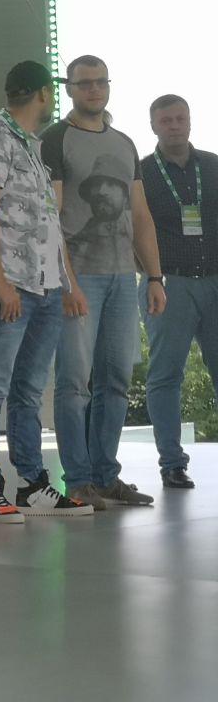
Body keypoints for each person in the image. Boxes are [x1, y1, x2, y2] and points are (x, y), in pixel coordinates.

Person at [0, 61, 93, 521]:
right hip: (9, 285)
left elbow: (48, 223)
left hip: (45, 286)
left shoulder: (31, 146)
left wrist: (67, 283)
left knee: (29, 390)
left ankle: (32, 484)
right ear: (45, 93)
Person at [41, 55, 165, 509]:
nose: (93, 89)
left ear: (108, 86)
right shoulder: (55, 139)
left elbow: (141, 215)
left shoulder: (125, 142)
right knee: (74, 383)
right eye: (84, 83)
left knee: (115, 381)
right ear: (69, 89)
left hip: (121, 277)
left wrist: (154, 276)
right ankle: (78, 481)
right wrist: (67, 281)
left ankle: (106, 477)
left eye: (100, 82)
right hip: (79, 276)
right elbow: (50, 218)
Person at [138, 94, 218, 489]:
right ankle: (172, 463)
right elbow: (133, 227)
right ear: (153, 125)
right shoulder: (141, 173)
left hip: (215, 280)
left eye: (180, 118)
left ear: (190, 121)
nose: (174, 125)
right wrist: (149, 274)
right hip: (168, 284)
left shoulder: (213, 165)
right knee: (166, 375)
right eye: (166, 120)